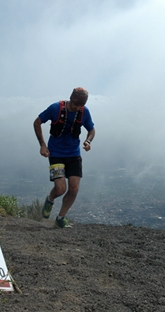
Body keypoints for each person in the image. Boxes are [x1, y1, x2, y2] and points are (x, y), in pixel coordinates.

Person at [33, 87, 95, 228]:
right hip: (56, 154)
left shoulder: (84, 112)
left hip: (74, 154)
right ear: (71, 99)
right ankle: (50, 199)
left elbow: (91, 129)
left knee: (74, 189)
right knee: (60, 188)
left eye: (80, 106)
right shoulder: (56, 108)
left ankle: (60, 218)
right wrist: (42, 144)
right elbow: (37, 122)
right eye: (75, 105)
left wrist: (88, 141)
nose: (77, 108)